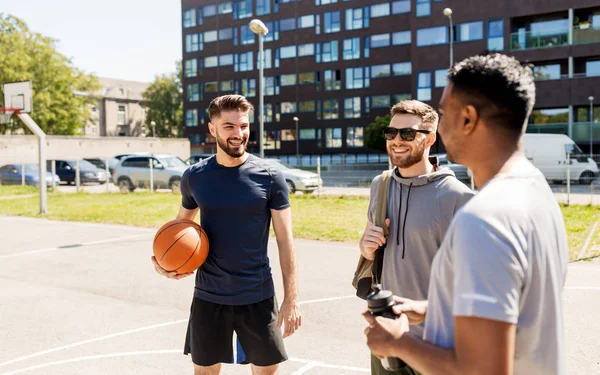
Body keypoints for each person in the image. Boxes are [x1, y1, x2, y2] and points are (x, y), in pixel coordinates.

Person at [363, 53, 568, 375]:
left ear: (468, 119)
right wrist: (432, 310)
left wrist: (398, 342)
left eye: (444, 114)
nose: (441, 126)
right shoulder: (535, 190)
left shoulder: (484, 217)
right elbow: (514, 307)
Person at [152, 94, 301, 375]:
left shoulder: (270, 177)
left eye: (243, 126)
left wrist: (291, 299)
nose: (238, 134)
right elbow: (179, 229)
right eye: (229, 126)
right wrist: (164, 263)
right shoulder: (195, 177)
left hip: (257, 295)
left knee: (266, 372)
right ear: (212, 129)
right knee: (205, 372)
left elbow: (285, 240)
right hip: (209, 295)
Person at [359, 100, 474, 375]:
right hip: (387, 332)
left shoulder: (458, 198)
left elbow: (475, 285)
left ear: (430, 139)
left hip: (436, 345)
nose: (397, 140)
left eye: (408, 134)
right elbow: (367, 245)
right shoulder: (381, 184)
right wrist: (366, 248)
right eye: (391, 133)